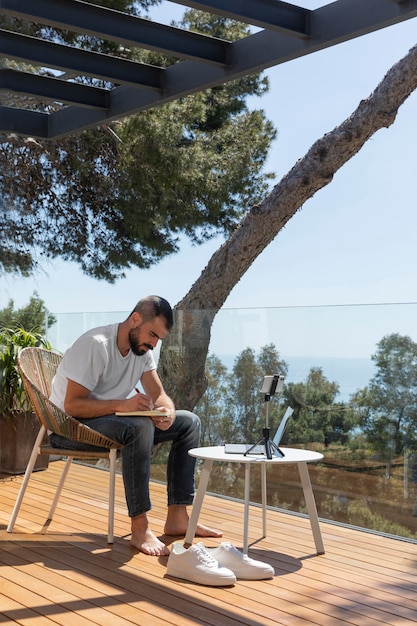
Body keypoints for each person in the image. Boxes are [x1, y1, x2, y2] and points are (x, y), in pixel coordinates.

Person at [50, 295, 222, 556]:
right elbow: (72, 405)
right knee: (139, 427)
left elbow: (159, 393)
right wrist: (125, 405)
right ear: (135, 319)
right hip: (69, 427)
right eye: (152, 335)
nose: (153, 344)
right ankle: (139, 527)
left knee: (189, 422)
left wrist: (167, 410)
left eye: (158, 339)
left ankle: (178, 517)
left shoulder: (142, 351)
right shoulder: (95, 345)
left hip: (112, 422)